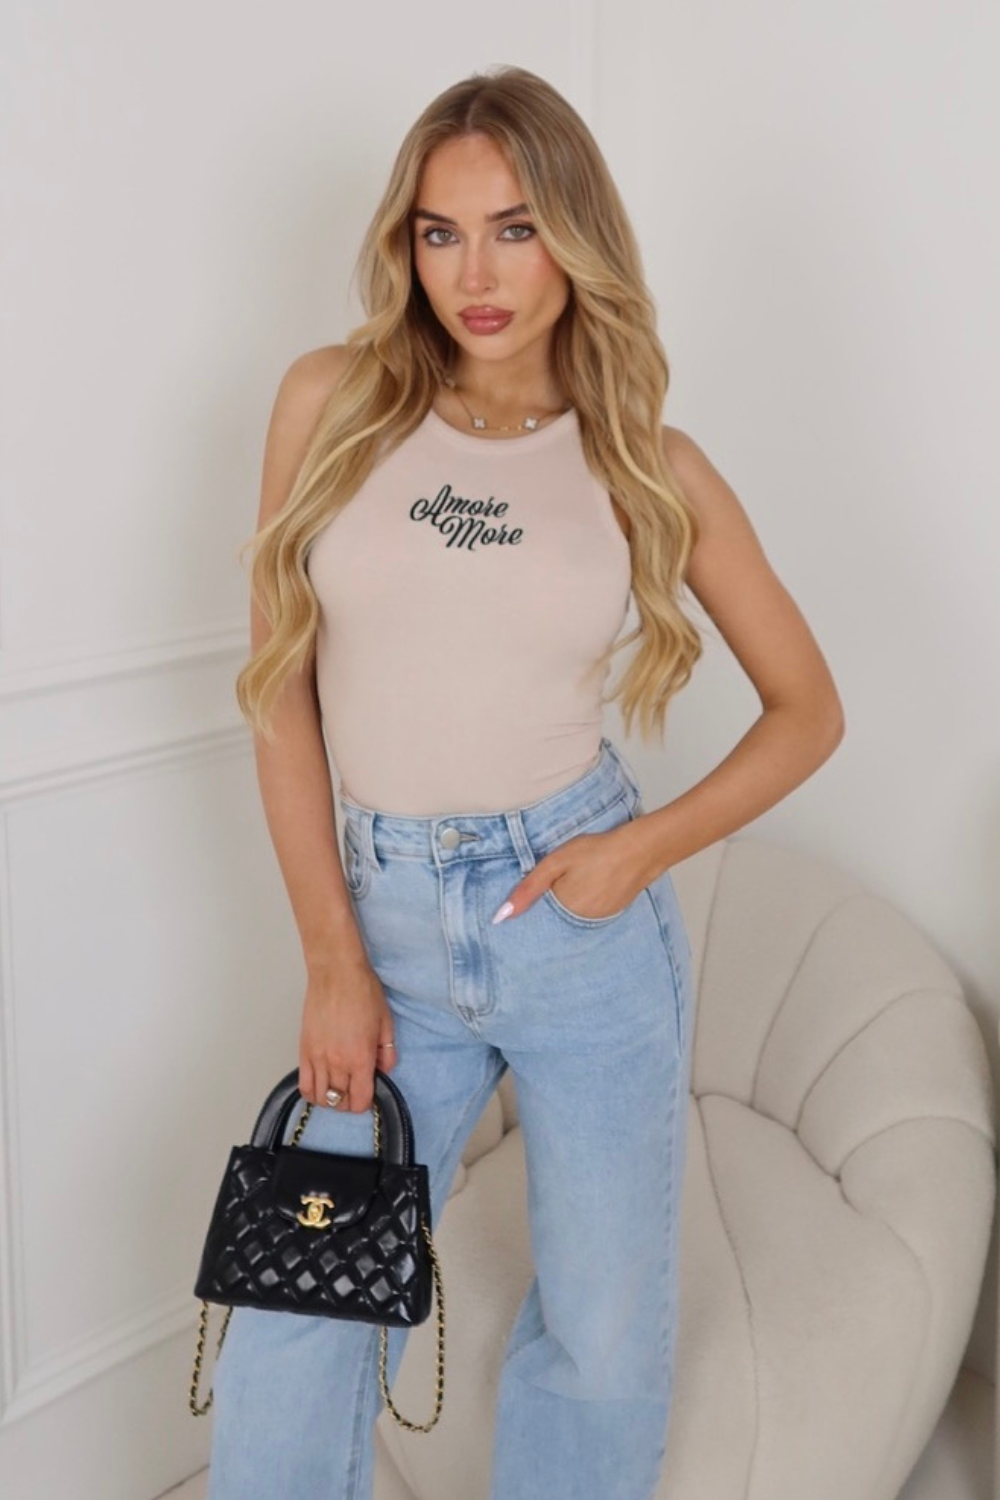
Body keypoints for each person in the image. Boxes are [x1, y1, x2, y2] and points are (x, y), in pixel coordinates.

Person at [206, 63, 845, 1500]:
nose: (475, 275)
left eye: (515, 229)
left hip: (578, 922)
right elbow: (279, 690)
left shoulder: (646, 464)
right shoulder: (331, 403)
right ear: (406, 243)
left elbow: (809, 710)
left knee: (602, 1339)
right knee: (298, 1316)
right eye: (440, 233)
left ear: (576, 237)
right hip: (386, 929)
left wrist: (639, 851)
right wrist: (331, 957)